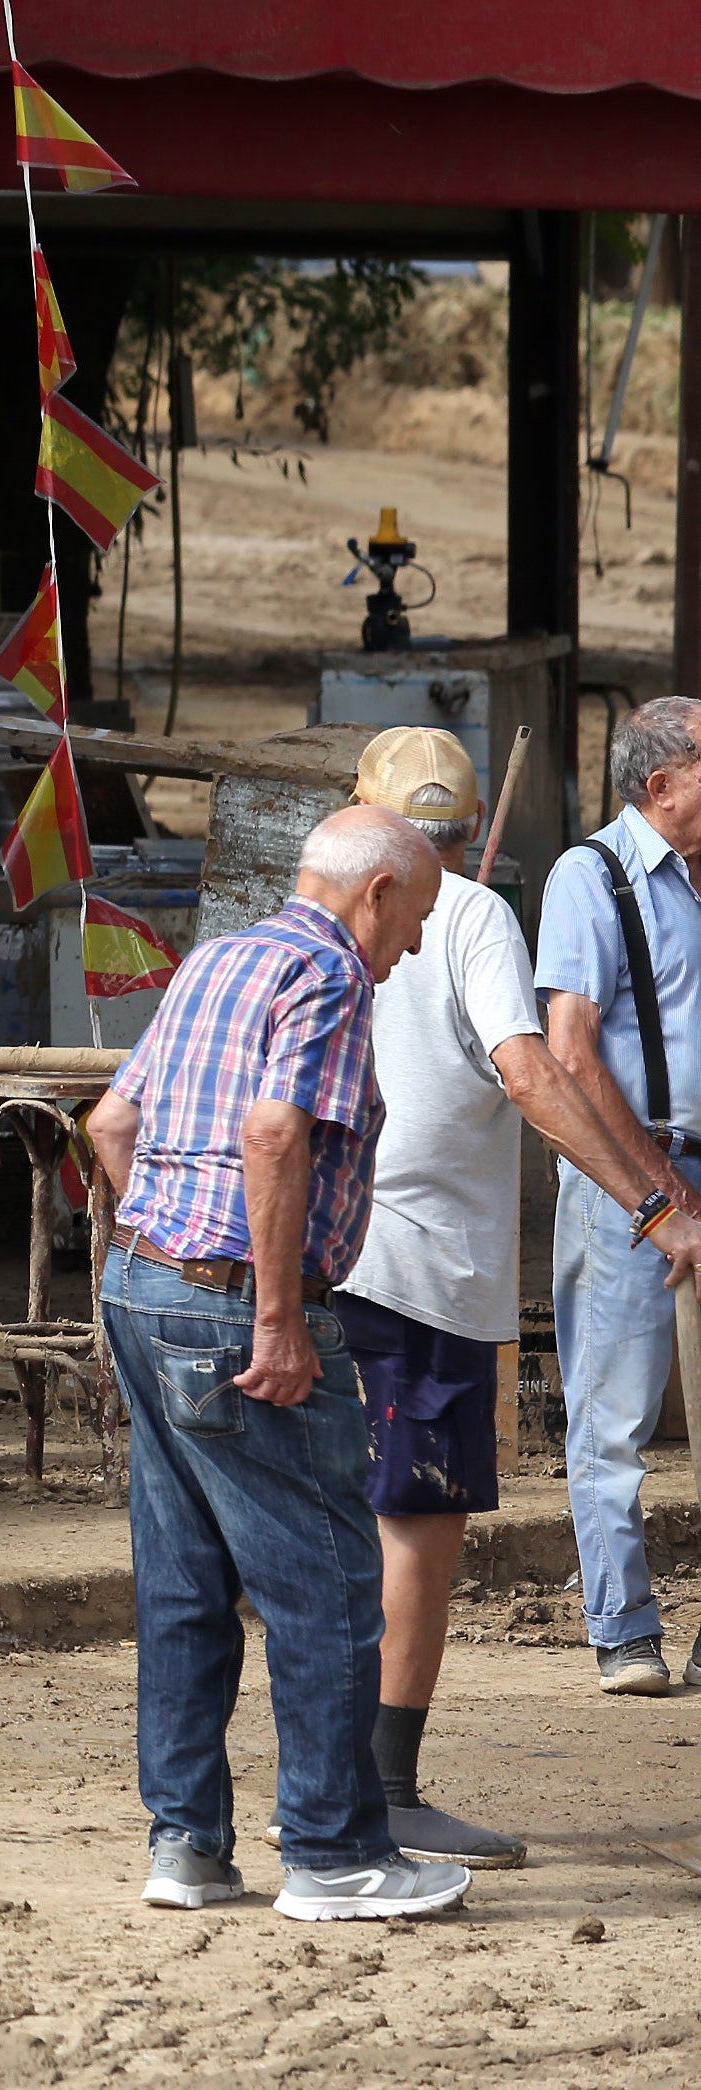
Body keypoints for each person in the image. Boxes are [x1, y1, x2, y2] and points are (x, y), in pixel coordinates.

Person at [80, 806, 470, 1923]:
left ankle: (187, 1846)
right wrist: (271, 1315)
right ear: (379, 893)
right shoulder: (331, 974)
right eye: (412, 924)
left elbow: (112, 1123)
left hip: (140, 1285)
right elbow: (269, 1132)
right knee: (332, 1582)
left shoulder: (219, 956)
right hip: (231, 1303)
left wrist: (155, 1257)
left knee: (184, 1580)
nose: (402, 954)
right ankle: (335, 1851)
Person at [343, 729, 701, 1864]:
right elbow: (541, 1065)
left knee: (357, 1533)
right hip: (431, 1266)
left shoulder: (302, 917)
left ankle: (244, 1814)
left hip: (348, 1259)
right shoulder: (491, 909)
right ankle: (375, 1792)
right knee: (421, 1531)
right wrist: (651, 1200)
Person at [535, 694, 701, 1695]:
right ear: (662, 783)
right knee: (611, 1410)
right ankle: (626, 1628)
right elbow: (569, 1049)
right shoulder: (590, 875)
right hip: (625, 1178)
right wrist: (656, 1186)